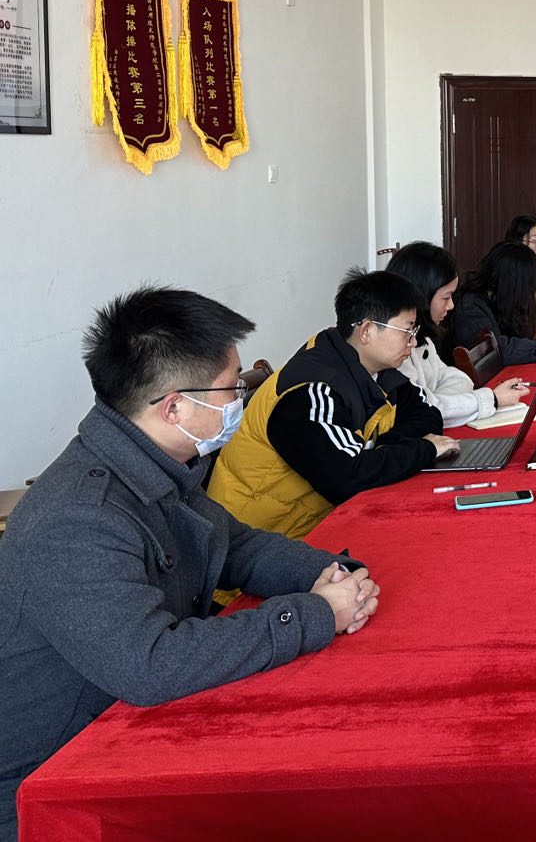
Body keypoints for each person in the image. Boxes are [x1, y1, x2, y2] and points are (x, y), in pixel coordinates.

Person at [0, 288, 380, 840]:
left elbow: (237, 546)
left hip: (124, 732)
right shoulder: (78, 519)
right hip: (51, 786)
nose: (241, 399)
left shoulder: (153, 461)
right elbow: (151, 663)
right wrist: (315, 614)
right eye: (232, 388)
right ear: (173, 407)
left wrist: (332, 574)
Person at [207, 270, 459, 539]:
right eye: (407, 330)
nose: (413, 341)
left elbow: (427, 415)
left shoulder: (377, 369)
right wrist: (422, 449)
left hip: (319, 520)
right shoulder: (310, 391)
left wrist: (381, 452)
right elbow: (347, 477)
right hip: (257, 541)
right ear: (366, 330)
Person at [386, 242, 534, 427]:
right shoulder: (394, 350)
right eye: (446, 297)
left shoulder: (424, 338)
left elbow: (458, 379)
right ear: (422, 295)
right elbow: (422, 409)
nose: (451, 306)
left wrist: (441, 402)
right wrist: (492, 399)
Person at [446, 241, 536, 365]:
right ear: (514, 284)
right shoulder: (470, 306)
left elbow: (502, 332)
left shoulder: (494, 296)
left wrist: (527, 333)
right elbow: (499, 352)